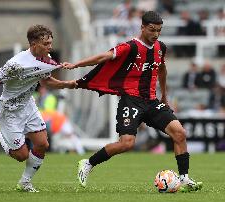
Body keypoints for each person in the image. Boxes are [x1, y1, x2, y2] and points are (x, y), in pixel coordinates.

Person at [62, 11, 202, 192]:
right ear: (142, 27)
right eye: (152, 30)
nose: (155, 34)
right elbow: (104, 57)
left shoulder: (161, 47)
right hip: (131, 100)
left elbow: (162, 69)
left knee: (179, 133)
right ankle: (88, 163)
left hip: (151, 101)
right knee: (126, 143)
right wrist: (76, 64)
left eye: (159, 30)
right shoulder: (130, 47)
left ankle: (184, 178)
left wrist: (164, 95)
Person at [0, 25, 76, 192]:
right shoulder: (16, 64)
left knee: (42, 144)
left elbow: (46, 81)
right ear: (33, 44)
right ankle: (0, 136)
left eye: (51, 43)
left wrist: (69, 84)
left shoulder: (46, 58)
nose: (50, 47)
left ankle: (24, 183)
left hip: (28, 106)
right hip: (9, 110)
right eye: (46, 44)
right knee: (21, 156)